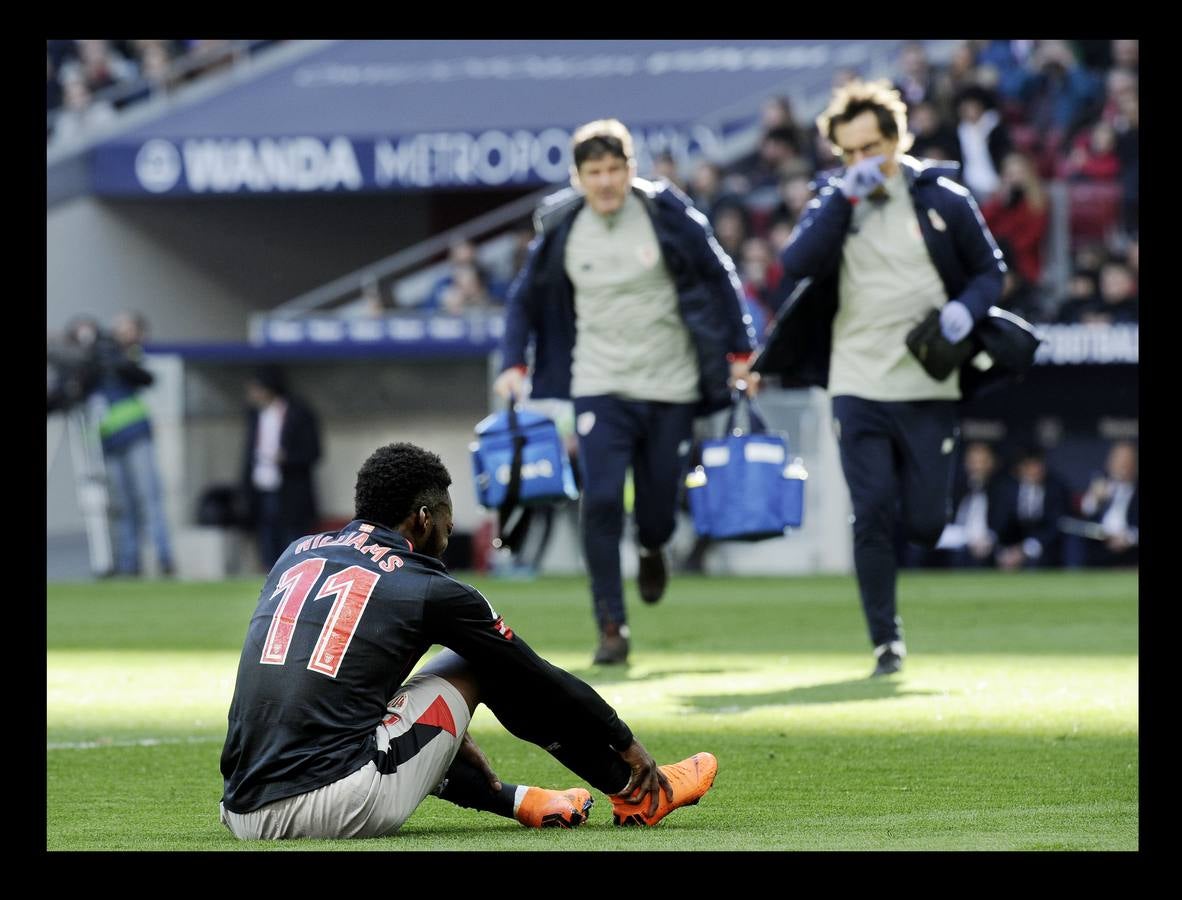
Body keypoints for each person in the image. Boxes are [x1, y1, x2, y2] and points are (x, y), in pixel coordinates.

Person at [218, 442, 717, 840]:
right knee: (486, 661)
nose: (451, 525)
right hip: (329, 803)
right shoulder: (428, 587)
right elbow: (536, 677)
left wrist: (431, 724)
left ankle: (522, 801)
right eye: (445, 513)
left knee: (367, 713)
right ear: (422, 518)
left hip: (240, 807)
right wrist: (624, 739)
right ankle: (637, 791)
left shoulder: (297, 552)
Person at [752, 80, 1007, 677]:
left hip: (927, 381)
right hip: (857, 381)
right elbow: (795, 264)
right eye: (848, 152)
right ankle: (885, 642)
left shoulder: (942, 197)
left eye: (872, 148)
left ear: (898, 139)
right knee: (869, 513)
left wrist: (966, 308)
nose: (862, 162)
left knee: (923, 522)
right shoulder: (833, 201)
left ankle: (908, 562)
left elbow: (989, 271)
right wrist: (843, 199)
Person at [494, 118, 757, 665]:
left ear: (631, 170)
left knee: (658, 510)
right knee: (603, 498)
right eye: (595, 172)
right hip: (599, 385)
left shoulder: (666, 214)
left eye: (616, 169)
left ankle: (653, 545)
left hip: (672, 384)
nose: (607, 181)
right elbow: (523, 300)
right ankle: (612, 626)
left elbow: (718, 276)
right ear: (578, 177)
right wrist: (514, 362)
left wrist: (740, 352)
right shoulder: (562, 228)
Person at [93, 313, 175, 577]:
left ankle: (164, 560)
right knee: (121, 506)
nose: (118, 330)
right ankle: (129, 565)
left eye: (125, 327)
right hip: (110, 441)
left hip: (137, 436)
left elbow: (142, 375)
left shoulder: (133, 355)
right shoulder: (101, 356)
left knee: (148, 499)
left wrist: (113, 356)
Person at [241, 367, 323, 571]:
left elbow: (314, 452)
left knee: (292, 537)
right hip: (262, 487)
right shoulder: (254, 415)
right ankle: (270, 576)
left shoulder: (299, 413)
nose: (252, 394)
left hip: (291, 488)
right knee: (267, 536)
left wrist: (287, 459)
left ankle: (294, 575)